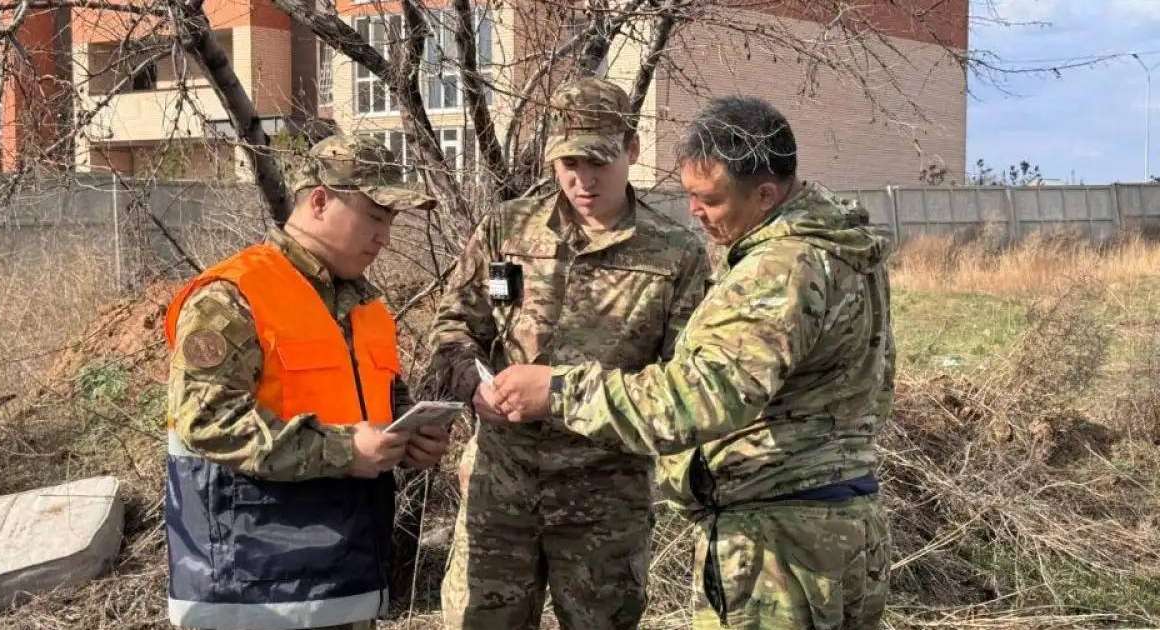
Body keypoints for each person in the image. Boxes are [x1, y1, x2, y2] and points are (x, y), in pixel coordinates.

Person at [491, 96, 895, 630]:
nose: (696, 213)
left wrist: (560, 391)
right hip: (840, 527)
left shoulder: (781, 269)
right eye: (689, 197)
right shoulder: (842, 249)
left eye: (710, 200)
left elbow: (698, 398)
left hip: (779, 548)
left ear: (766, 195)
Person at [427, 77, 710, 629]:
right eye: (569, 163)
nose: (583, 180)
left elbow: (683, 382)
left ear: (630, 149)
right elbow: (453, 325)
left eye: (599, 161)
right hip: (500, 488)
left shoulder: (675, 254)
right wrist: (474, 384)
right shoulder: (507, 230)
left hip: (603, 498)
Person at [163, 134, 451, 630]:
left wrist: (409, 439)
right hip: (254, 589)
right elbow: (207, 421)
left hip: (342, 578)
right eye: (376, 215)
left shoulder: (364, 306)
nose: (385, 235)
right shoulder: (232, 296)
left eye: (391, 220)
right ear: (319, 201)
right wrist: (346, 451)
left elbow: (374, 406)